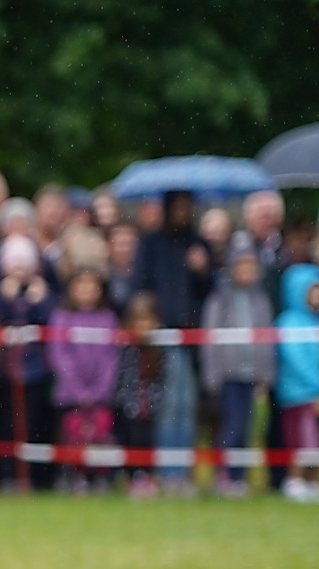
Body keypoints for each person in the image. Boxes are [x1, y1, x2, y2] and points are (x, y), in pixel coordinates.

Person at [130, 190, 210, 492]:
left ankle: (181, 473)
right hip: (160, 338)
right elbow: (141, 287)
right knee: (168, 406)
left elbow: (208, 290)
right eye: (177, 207)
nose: (182, 212)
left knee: (186, 406)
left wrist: (202, 269)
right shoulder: (151, 243)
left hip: (192, 339)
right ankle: (168, 472)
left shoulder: (198, 244)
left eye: (187, 207)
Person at [200, 240, 277, 496]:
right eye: (242, 265)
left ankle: (239, 476)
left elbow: (266, 339)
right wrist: (212, 375)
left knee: (246, 427)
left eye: (251, 266)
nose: (247, 271)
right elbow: (210, 338)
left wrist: (266, 375)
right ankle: (224, 474)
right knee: (231, 425)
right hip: (228, 374)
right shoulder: (220, 299)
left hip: (251, 374)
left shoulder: (261, 299)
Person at [0, 234, 57, 491]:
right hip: (7, 369)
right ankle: (5, 476)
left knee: (35, 424)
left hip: (36, 369)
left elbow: (50, 321)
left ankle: (37, 478)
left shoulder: (42, 290)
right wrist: (4, 298)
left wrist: (42, 300)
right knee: (6, 424)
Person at [46, 266, 120, 492]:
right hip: (69, 395)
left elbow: (110, 358)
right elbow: (59, 356)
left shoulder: (108, 318)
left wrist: (98, 391)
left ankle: (100, 477)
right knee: (72, 436)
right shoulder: (61, 317)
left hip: (101, 395)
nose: (86, 290)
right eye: (81, 284)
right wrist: (79, 391)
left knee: (101, 435)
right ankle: (72, 477)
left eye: (91, 285)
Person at [275, 265, 319, 502]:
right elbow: (296, 360)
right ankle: (295, 480)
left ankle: (313, 481)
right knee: (302, 440)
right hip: (298, 395)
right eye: (314, 290)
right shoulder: (288, 322)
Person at [115, 292, 164, 498]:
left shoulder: (160, 347)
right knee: (131, 439)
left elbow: (162, 380)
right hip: (130, 406)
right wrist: (129, 403)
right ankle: (132, 477)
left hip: (151, 406)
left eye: (147, 321)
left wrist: (154, 402)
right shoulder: (126, 347)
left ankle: (148, 477)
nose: (142, 326)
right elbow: (123, 378)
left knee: (149, 440)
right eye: (138, 321)